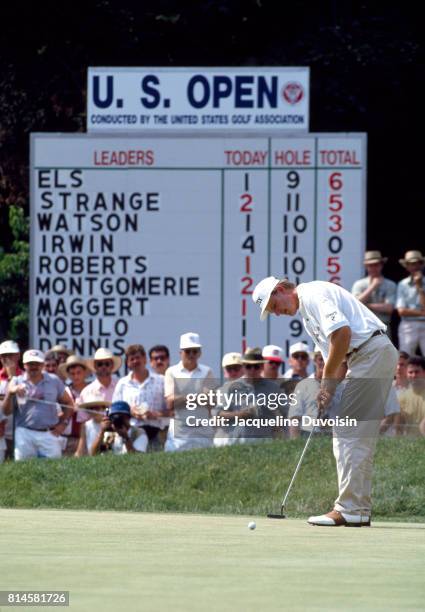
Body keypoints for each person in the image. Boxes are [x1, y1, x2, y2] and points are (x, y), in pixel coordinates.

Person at [253, 276, 398, 527]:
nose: (276, 314)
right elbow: (339, 358)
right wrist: (327, 391)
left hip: (370, 353)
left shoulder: (313, 294)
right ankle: (357, 508)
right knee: (353, 434)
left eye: (273, 306)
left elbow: (342, 335)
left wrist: (328, 383)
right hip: (364, 357)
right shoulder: (307, 313)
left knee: (349, 433)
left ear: (280, 290)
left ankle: (351, 508)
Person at [1, 349, 74, 460]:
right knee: (24, 470)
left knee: (55, 470)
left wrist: (63, 424)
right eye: (30, 364)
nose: (34, 367)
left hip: (49, 433)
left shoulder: (54, 380)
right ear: (24, 365)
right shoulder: (16, 382)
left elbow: (68, 403)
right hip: (24, 433)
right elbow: (6, 411)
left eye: (37, 364)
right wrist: (10, 393)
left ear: (42, 365)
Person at [213, 348, 280, 446]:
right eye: (249, 366)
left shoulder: (272, 387)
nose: (252, 370)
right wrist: (240, 415)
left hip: (265, 441)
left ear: (262, 367)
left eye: (256, 366)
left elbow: (283, 414)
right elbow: (218, 415)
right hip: (238, 442)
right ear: (243, 367)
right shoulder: (230, 387)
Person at [164, 332, 215, 452]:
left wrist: (181, 399)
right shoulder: (172, 372)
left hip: (203, 432)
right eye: (188, 351)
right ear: (180, 353)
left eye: (195, 351)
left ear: (200, 353)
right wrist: (198, 397)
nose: (191, 355)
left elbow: (211, 401)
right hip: (179, 433)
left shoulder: (207, 371)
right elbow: (170, 402)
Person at [113, 344, 168, 450]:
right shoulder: (122, 384)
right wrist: (129, 412)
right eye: (131, 359)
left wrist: (155, 414)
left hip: (156, 433)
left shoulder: (161, 381)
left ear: (145, 359)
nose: (135, 361)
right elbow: (114, 412)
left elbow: (173, 411)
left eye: (138, 357)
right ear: (128, 364)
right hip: (131, 433)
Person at [351, 251, 396, 337]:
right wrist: (373, 286)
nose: (373, 268)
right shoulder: (359, 284)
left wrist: (366, 305)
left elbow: (389, 308)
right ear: (366, 266)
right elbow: (355, 304)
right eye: (370, 265)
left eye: (376, 265)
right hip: (363, 328)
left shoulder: (390, 284)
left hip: (383, 327)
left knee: (385, 350)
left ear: (381, 265)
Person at [83, 400, 148, 455]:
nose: (118, 419)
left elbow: (137, 457)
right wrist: (101, 431)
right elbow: (93, 454)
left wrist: (125, 437)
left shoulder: (138, 432)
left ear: (129, 417)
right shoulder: (108, 434)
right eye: (114, 417)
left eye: (121, 416)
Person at [58, 355, 91, 456]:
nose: (76, 376)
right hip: (65, 439)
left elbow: (104, 410)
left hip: (88, 438)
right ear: (68, 375)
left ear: (85, 373)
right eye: (72, 374)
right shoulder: (64, 391)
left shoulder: (92, 390)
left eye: (78, 373)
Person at [396, 250, 425, 355]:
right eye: (411, 264)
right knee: (406, 357)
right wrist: (422, 313)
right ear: (407, 267)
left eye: (417, 263)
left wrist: (419, 286)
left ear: (421, 265)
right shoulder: (402, 284)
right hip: (408, 324)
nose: (414, 267)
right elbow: (401, 311)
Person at [0, 340, 23, 460]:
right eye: (4, 356)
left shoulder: (26, 377)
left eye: (10, 355)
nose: (7, 359)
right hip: (1, 436)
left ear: (18, 356)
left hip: (21, 434)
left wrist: (12, 377)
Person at [398, 356, 425, 436]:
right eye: (410, 372)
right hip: (409, 445)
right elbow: (398, 428)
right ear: (406, 374)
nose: (413, 375)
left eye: (417, 372)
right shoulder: (401, 398)